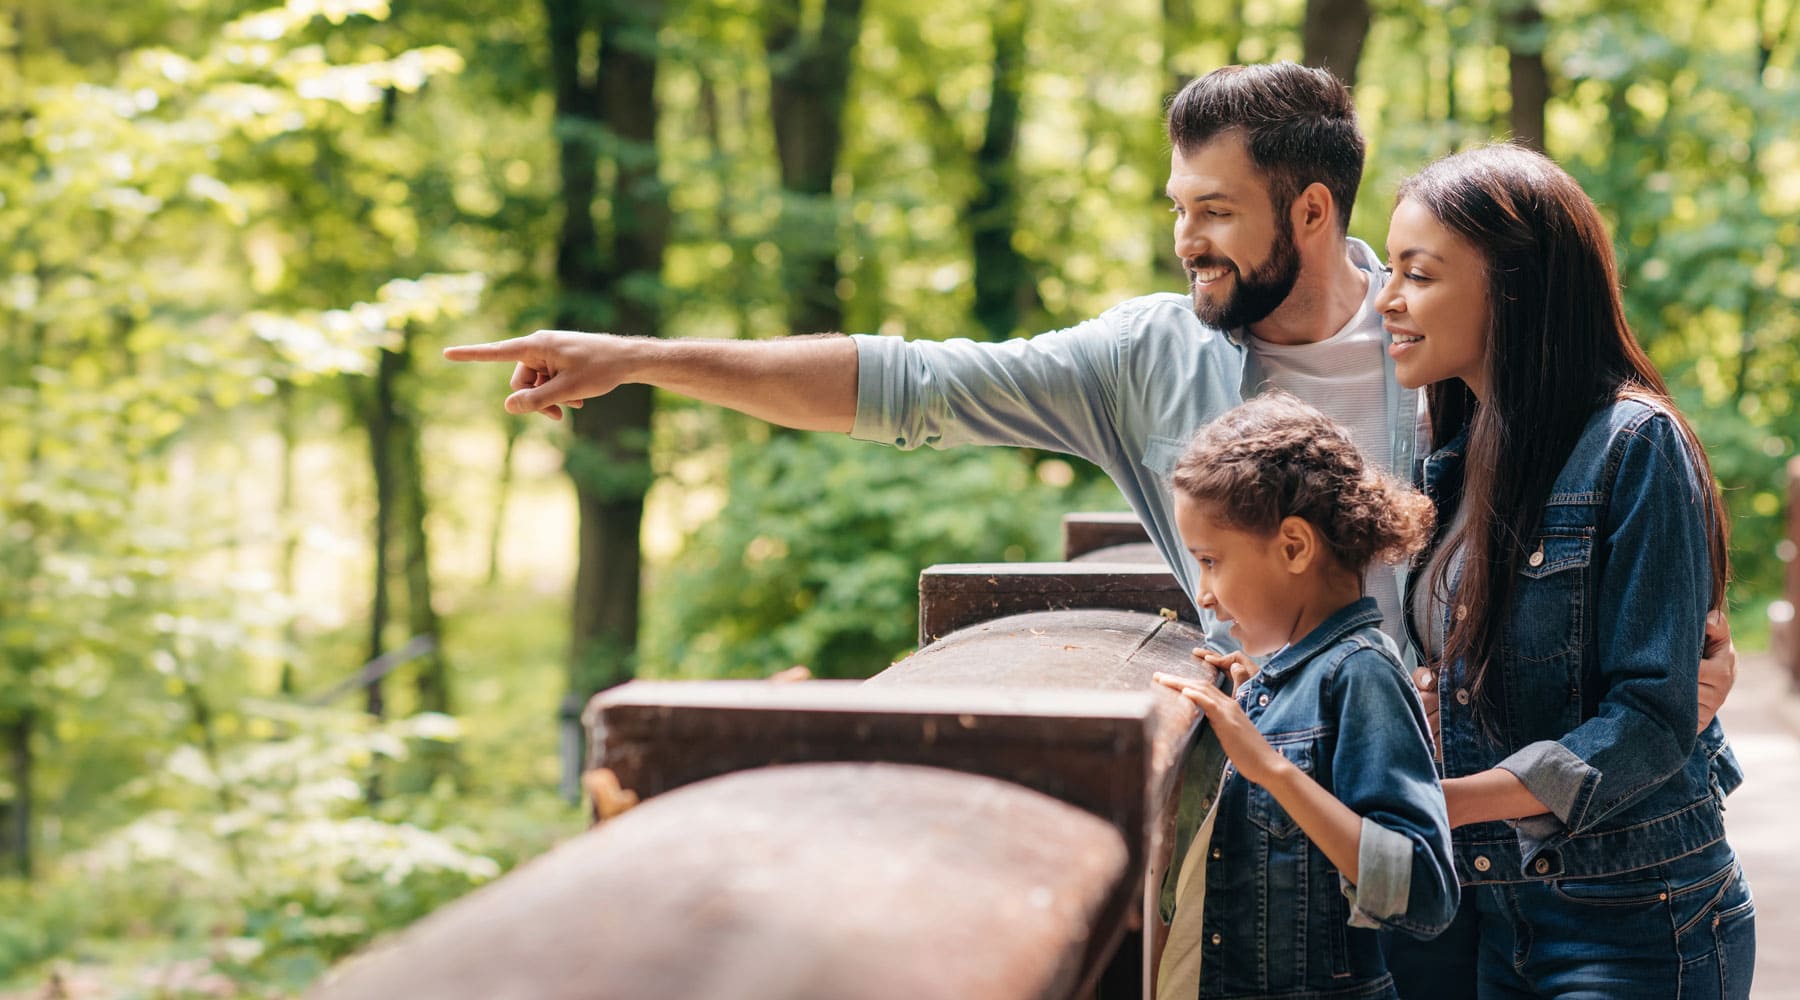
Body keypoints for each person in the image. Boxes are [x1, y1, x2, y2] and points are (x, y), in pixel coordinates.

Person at [440, 62, 1737, 720]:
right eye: (1180, 210)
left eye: (1217, 211)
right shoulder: (1144, 358)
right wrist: (645, 359)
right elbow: (897, 383)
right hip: (1281, 809)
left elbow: (1615, 511)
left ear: (1313, 206)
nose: (1189, 241)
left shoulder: (1455, 332)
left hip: (1491, 830)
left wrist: (1680, 693)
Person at [1374, 144, 1754, 998]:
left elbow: (1652, 719)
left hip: (1633, 913)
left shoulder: (1635, 444)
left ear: (1513, 285)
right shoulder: (1456, 456)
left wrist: (1442, 800)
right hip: (1493, 909)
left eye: (1418, 274)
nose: (1387, 301)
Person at [1151, 393, 1456, 999]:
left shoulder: (1362, 673)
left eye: (1211, 561)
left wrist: (1270, 770)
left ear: (1294, 546)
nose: (1203, 593)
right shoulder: (1286, 681)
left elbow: (1423, 891)